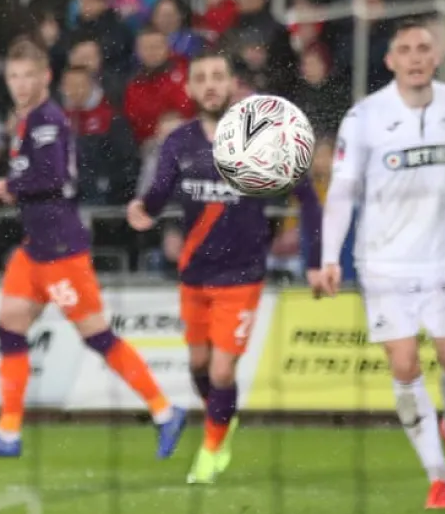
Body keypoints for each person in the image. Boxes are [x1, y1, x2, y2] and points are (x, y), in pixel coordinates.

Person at [314, 18, 445, 510]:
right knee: (404, 364)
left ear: (436, 56)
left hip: (441, 258)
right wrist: (329, 257)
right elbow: (342, 190)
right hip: (382, 262)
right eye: (404, 50)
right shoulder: (365, 117)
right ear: (390, 61)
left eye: (423, 48)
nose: (415, 57)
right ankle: (437, 476)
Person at [0, 39, 187, 459]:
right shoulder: (28, 121)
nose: (20, 84)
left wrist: (3, 185)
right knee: (10, 326)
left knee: (98, 336)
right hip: (35, 249)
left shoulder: (47, 121)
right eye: (13, 76)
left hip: (62, 250)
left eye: (28, 76)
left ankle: (164, 410)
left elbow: (53, 176)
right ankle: (8, 433)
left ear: (45, 77)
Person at [127, 51, 322, 483]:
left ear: (233, 83)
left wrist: (315, 261)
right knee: (198, 365)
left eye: (218, 75)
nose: (210, 84)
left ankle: (212, 448)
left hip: (242, 274)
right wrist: (143, 208)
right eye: (201, 77)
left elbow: (307, 198)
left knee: (220, 369)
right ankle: (223, 416)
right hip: (194, 274)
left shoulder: (264, 136)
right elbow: (159, 193)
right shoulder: (179, 141)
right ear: (190, 88)